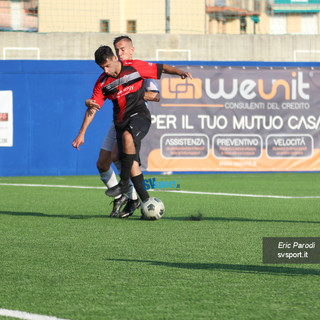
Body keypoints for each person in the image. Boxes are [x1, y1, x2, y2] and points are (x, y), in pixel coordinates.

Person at [72, 45, 192, 217]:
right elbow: (94, 107)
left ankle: (126, 186)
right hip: (119, 121)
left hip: (139, 116)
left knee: (123, 147)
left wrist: (179, 72)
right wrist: (81, 133)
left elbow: (161, 70)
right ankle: (139, 199)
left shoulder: (135, 67)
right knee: (110, 161)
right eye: (102, 68)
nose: (106, 70)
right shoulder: (102, 82)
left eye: (107, 65)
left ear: (115, 58)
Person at [85, 36, 160, 218]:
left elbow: (156, 96)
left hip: (136, 119)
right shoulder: (110, 74)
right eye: (117, 50)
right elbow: (97, 101)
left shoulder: (139, 69)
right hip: (118, 121)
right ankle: (120, 196)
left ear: (131, 50)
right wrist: (90, 102)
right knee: (102, 163)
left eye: (123, 49)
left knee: (123, 156)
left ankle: (138, 198)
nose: (120, 53)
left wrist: (135, 92)